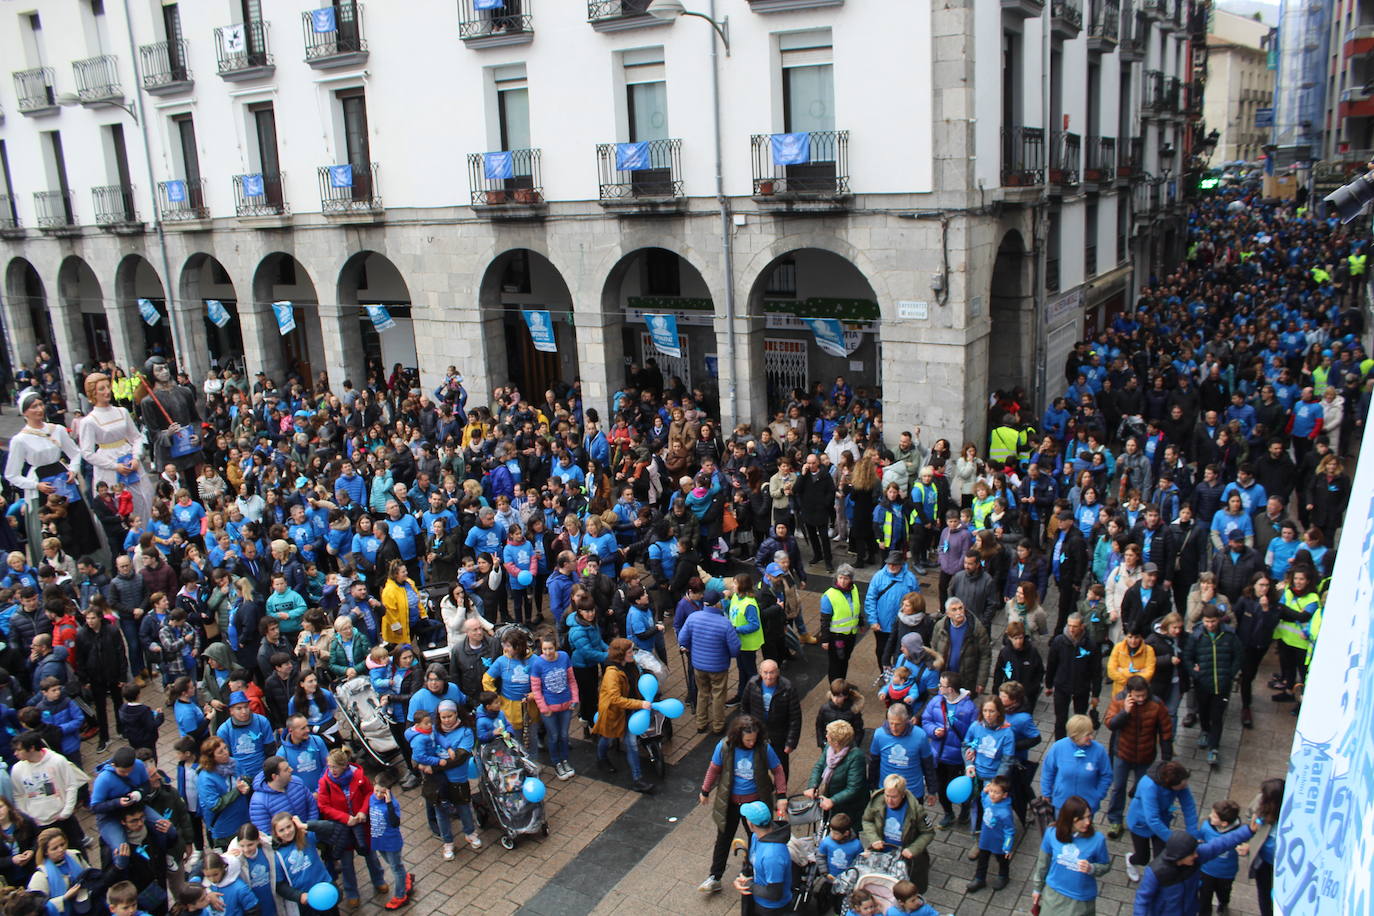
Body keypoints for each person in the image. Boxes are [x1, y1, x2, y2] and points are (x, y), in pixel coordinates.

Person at [6, 388, 105, 564]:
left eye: (40, 404)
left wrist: (73, 470)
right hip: (42, 484)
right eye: (34, 407)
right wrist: (35, 485)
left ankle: (88, 561)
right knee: (52, 528)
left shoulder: (57, 430)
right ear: (25, 412)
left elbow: (75, 453)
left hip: (63, 479)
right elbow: (11, 474)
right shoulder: (20, 440)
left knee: (78, 522)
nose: (39, 409)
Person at [697, 714, 787, 895]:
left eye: (754, 739)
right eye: (747, 740)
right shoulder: (725, 746)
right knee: (723, 838)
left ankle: (752, 872)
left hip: (755, 804)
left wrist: (782, 795)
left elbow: (777, 770)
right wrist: (705, 790)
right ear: (738, 737)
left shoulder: (763, 747)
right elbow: (714, 768)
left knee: (758, 838)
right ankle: (715, 877)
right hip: (730, 802)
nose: (751, 743)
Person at [77, 372, 154, 525]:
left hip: (128, 457)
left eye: (108, 387)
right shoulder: (88, 421)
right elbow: (87, 453)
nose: (107, 391)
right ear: (93, 393)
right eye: (101, 389)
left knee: (143, 497)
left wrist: (136, 457)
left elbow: (136, 437)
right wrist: (114, 466)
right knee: (117, 502)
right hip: (108, 464)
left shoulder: (122, 412)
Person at [1132, 822, 1256, 916]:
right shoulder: (1155, 872)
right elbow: (1142, 901)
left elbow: (1221, 844)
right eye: (1192, 854)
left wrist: (1248, 830)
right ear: (1179, 856)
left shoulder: (1196, 856)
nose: (1196, 855)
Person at [1104, 675, 1174, 838]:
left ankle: (1140, 819)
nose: (1141, 699)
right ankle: (1115, 820)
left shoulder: (1156, 704)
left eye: (1143, 695)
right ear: (1129, 693)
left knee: (1143, 790)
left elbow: (1165, 731)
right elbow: (1110, 724)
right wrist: (1125, 712)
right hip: (1122, 753)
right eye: (1137, 696)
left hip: (1146, 756)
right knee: (1118, 788)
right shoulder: (1119, 700)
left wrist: (1166, 758)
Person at [409, 699, 478, 861]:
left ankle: (470, 833)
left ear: (456, 714)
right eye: (443, 717)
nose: (446, 720)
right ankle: (447, 842)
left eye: (450, 716)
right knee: (441, 813)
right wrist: (420, 764)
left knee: (464, 808)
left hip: (457, 779)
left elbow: (459, 758)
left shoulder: (466, 732)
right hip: (437, 782)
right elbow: (416, 755)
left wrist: (433, 767)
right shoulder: (430, 731)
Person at [590, 638, 655, 794]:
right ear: (621, 655)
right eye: (630, 651)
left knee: (631, 744)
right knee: (607, 737)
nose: (633, 654)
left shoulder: (630, 665)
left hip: (628, 711)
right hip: (614, 714)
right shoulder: (612, 674)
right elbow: (615, 699)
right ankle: (601, 758)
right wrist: (640, 704)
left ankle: (637, 779)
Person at [1030, 795, 1112, 915]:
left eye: (1089, 816)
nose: (1088, 822)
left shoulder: (1097, 840)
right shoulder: (1052, 833)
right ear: (1069, 819)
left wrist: (1092, 868)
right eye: (1081, 819)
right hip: (1053, 895)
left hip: (1080, 900)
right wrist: (1037, 888)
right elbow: (1043, 863)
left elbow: (1106, 865)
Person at [10, 732, 88, 851]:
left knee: (75, 848)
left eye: (19, 750)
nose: (15, 753)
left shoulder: (57, 761)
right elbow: (18, 795)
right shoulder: (17, 770)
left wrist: (66, 812)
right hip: (38, 823)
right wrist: (29, 817)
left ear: (31, 748)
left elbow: (71, 786)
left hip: (62, 818)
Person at [1185, 605, 1241, 766]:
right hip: (1203, 683)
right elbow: (1187, 657)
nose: (1210, 625)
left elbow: (1238, 655)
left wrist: (1230, 674)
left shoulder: (1229, 635)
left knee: (1217, 716)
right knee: (1203, 711)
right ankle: (1204, 731)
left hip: (1222, 685)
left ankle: (1214, 748)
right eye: (1207, 621)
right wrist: (1195, 673)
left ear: (1219, 620)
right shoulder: (1196, 636)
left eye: (1213, 621)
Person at [1125, 760, 1198, 884]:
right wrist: (1175, 841)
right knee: (1142, 858)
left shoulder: (1180, 782)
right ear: (1170, 785)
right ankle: (1130, 860)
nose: (1185, 787)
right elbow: (1152, 819)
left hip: (1162, 822)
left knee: (1161, 859)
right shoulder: (1149, 785)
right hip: (1141, 824)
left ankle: (1156, 884)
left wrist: (1193, 834)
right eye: (1181, 787)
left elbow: (1188, 806)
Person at [858, 774, 935, 892]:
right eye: (887, 795)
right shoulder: (876, 801)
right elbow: (867, 820)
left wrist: (913, 849)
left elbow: (928, 833)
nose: (889, 800)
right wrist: (874, 839)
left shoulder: (916, 810)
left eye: (894, 797)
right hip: (882, 854)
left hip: (906, 859)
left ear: (903, 794)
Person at [678, 590, 740, 735]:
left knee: (702, 693)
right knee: (718, 695)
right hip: (719, 666)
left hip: (698, 665)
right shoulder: (725, 623)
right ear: (717, 603)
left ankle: (701, 723)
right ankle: (718, 726)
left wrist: (692, 648)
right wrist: (727, 655)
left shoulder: (693, 617)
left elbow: (682, 639)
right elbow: (735, 649)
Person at [920, 671, 976, 828]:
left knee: (962, 786)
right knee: (941, 786)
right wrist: (933, 731)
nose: (939, 687)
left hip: (957, 758)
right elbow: (926, 720)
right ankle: (948, 813)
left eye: (941, 685)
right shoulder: (936, 701)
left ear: (950, 689)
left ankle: (965, 811)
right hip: (938, 755)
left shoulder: (969, 708)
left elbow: (974, 733)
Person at [740, 660, 802, 780]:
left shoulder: (787, 687)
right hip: (757, 733)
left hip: (779, 735)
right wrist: (747, 730)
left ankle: (781, 790)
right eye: (765, 672)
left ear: (777, 672)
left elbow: (795, 717)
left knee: (781, 768)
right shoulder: (752, 684)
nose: (769, 676)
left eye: (772, 672)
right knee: (757, 766)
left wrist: (791, 742)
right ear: (760, 672)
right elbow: (744, 707)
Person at [1039, 714, 1111, 815]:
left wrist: (1097, 795)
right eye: (1087, 735)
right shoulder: (1058, 747)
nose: (1091, 737)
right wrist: (1046, 793)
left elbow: (1106, 775)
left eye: (1091, 733)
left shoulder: (1099, 750)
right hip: (1062, 803)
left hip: (1087, 805)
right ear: (1075, 736)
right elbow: (1048, 771)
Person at [268, 813, 338, 916]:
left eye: (289, 826)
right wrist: (299, 896)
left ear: (294, 824)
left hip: (325, 890)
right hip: (305, 900)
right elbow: (279, 885)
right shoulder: (277, 855)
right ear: (276, 833)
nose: (287, 832)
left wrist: (305, 825)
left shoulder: (307, 836)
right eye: (281, 830)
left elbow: (331, 828)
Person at [529, 635, 578, 780]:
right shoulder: (538, 664)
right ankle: (556, 762)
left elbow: (571, 680)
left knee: (564, 735)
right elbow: (536, 689)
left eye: (550, 648)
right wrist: (543, 708)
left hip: (566, 705)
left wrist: (575, 699)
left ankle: (565, 760)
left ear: (555, 647)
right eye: (544, 649)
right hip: (549, 708)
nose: (548, 652)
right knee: (554, 736)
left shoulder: (564, 657)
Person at [867, 703, 938, 803]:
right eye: (891, 723)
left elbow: (928, 765)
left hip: (912, 793)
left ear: (906, 720)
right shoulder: (879, 735)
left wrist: (932, 791)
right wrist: (872, 787)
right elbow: (873, 763)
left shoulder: (920, 736)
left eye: (898, 724)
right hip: (886, 792)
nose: (894, 728)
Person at [803, 719, 868, 827]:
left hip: (849, 808)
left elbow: (853, 788)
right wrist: (812, 786)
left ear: (836, 742)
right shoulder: (829, 748)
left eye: (828, 735)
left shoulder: (856, 757)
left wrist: (833, 801)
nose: (826, 736)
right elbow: (819, 766)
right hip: (829, 800)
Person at [732, 800, 793, 913]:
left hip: (772, 909)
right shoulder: (756, 837)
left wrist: (748, 885)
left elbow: (774, 893)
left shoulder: (773, 855)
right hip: (758, 898)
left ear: (751, 824)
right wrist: (740, 878)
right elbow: (752, 864)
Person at [368, 771, 413, 910]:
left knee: (396, 868)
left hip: (391, 842)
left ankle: (400, 896)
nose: (378, 795)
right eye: (376, 791)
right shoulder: (371, 798)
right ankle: (405, 877)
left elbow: (395, 823)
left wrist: (388, 804)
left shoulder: (393, 804)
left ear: (388, 791)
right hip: (378, 840)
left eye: (382, 792)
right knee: (392, 863)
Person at [929, 597, 990, 697]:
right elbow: (934, 649)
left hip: (967, 679)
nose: (959, 612)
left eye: (960, 608)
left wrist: (981, 681)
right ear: (948, 614)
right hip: (945, 678)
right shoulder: (940, 626)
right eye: (954, 609)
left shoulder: (977, 629)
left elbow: (985, 655)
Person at [967, 774, 1015, 892]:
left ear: (1004, 795)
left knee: (1002, 860)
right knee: (982, 858)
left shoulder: (1005, 813)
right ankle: (979, 878)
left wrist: (1007, 846)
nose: (992, 794)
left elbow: (1009, 830)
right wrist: (984, 791)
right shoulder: (989, 800)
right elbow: (983, 799)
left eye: (996, 792)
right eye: (991, 791)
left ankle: (1003, 876)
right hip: (985, 837)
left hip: (999, 841)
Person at [818, 565, 865, 683]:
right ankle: (835, 688)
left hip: (851, 634)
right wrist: (825, 640)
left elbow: (856, 608)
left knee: (844, 661)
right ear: (836, 577)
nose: (843, 581)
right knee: (836, 664)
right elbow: (825, 621)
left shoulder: (854, 589)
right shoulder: (829, 596)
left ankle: (841, 685)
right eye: (840, 577)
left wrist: (860, 622)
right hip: (836, 637)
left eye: (846, 578)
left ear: (851, 579)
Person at [1245, 777, 1283, 916]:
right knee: (1264, 893)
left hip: (1282, 865)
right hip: (1263, 861)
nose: (1260, 796)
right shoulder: (1261, 802)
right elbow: (1249, 813)